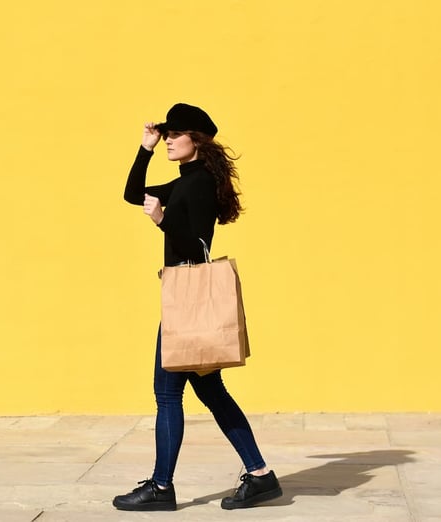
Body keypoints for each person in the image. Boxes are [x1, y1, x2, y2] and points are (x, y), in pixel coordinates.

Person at [113, 103, 282, 512]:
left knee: (167, 394)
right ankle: (260, 475)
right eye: (166, 133)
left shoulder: (200, 183)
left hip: (187, 297)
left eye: (176, 134)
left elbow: (197, 245)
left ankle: (161, 486)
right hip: (186, 298)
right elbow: (133, 194)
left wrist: (161, 222)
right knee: (211, 391)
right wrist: (145, 148)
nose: (169, 138)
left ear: (197, 140)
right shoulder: (188, 180)